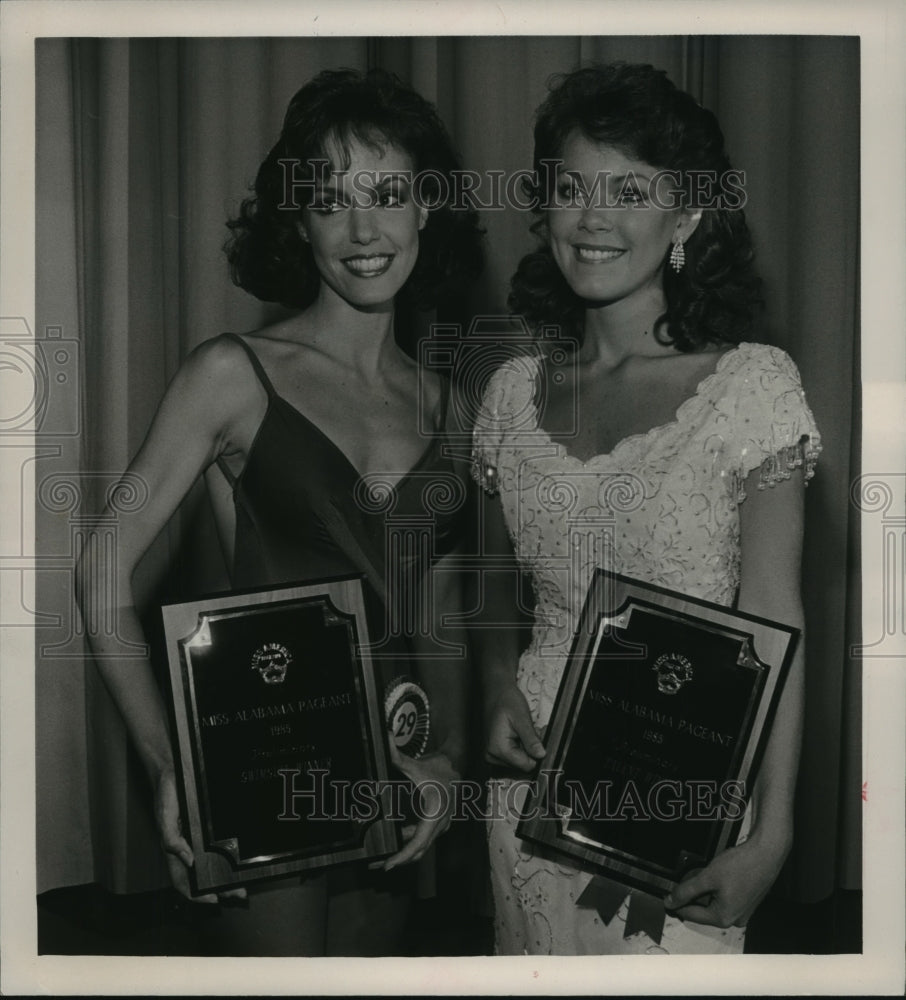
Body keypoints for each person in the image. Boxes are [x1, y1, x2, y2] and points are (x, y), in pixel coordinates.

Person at [77, 67, 483, 955]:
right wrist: (166, 764)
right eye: (331, 201)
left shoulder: (455, 407)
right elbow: (101, 574)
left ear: (428, 210)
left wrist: (447, 760)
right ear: (297, 223)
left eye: (388, 194)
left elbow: (441, 609)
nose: (364, 230)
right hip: (262, 766)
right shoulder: (231, 373)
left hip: (397, 770)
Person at [471, 62, 821, 955]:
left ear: (688, 217)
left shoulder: (751, 385)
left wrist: (771, 834)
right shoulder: (510, 395)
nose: (594, 216)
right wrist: (493, 679)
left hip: (681, 804)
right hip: (526, 796)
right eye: (571, 187)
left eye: (630, 190)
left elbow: (776, 620)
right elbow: (475, 587)